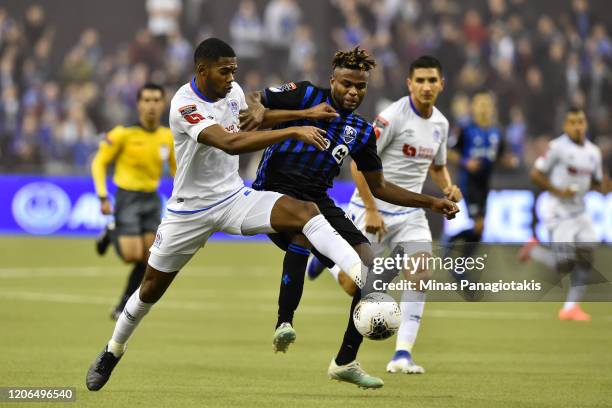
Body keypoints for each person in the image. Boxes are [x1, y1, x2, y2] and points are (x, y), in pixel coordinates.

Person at [85, 38, 380, 392]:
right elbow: (230, 142)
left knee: (305, 211)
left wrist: (305, 115)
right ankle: (113, 350)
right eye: (224, 71)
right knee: (149, 290)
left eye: (234, 71)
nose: (231, 78)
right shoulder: (184, 105)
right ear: (202, 70)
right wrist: (296, 128)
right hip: (188, 212)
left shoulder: (232, 91)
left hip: (233, 198)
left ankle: (362, 276)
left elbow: (253, 120)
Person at [246, 49, 459, 388]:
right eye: (346, 84)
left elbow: (380, 185)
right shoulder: (305, 93)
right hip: (272, 191)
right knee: (302, 231)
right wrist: (274, 111)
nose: (353, 92)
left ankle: (345, 360)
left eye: (360, 87)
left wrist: (431, 202)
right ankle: (284, 322)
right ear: (332, 80)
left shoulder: (361, 132)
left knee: (370, 274)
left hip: (318, 198)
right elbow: (255, 99)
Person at [309, 56, 461, 374]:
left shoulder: (441, 124)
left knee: (420, 273)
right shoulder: (392, 118)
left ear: (441, 84)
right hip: (370, 209)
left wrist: (447, 186)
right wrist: (373, 210)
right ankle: (329, 259)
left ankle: (402, 355)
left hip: (410, 213)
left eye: (432, 80)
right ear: (409, 84)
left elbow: (436, 165)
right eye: (420, 80)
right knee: (355, 289)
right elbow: (358, 165)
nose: (426, 86)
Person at [91, 83, 176, 320]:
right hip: (128, 197)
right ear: (139, 104)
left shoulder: (167, 137)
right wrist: (102, 195)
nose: (151, 105)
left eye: (156, 100)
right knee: (131, 255)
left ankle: (122, 306)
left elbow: (177, 171)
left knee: (149, 259)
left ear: (163, 104)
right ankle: (112, 230)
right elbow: (98, 163)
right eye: (146, 100)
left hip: (151, 199)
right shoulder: (122, 133)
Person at [518, 107, 608, 321]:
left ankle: (570, 308)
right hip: (558, 210)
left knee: (587, 256)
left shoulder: (593, 152)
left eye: (581, 122)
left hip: (580, 211)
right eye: (573, 122)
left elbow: (596, 182)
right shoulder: (557, 148)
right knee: (564, 266)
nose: (577, 126)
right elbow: (536, 174)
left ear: (585, 124)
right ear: (566, 126)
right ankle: (535, 251)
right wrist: (559, 191)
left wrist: (604, 186)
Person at [444, 91, 516, 264]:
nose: (484, 108)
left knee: (480, 230)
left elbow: (499, 156)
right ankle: (452, 249)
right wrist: (465, 161)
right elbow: (449, 153)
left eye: (487, 104)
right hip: (468, 182)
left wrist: (508, 161)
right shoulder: (465, 128)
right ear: (473, 107)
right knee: (479, 225)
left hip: (485, 183)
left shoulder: (497, 131)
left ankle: (457, 255)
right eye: (480, 104)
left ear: (492, 108)